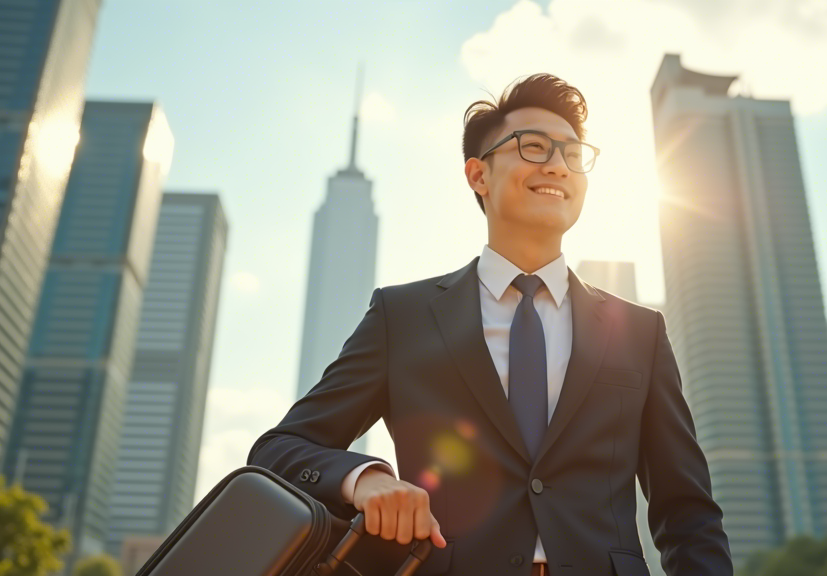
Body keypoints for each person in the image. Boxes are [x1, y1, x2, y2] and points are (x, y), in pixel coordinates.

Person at [247, 73, 732, 576]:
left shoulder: (640, 332)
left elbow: (687, 512)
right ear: (478, 175)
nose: (559, 166)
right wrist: (365, 480)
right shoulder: (404, 317)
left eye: (572, 153)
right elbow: (278, 450)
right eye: (535, 147)